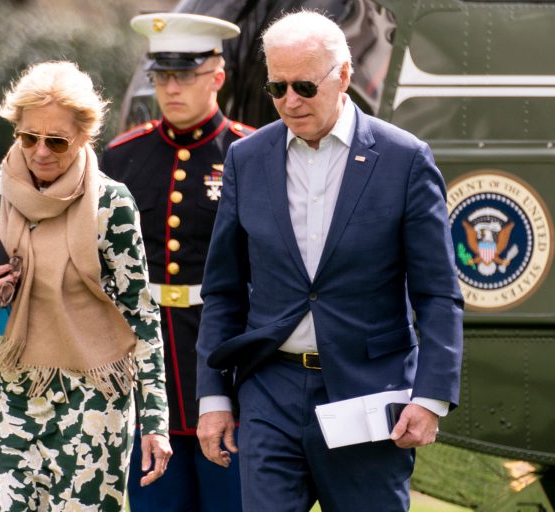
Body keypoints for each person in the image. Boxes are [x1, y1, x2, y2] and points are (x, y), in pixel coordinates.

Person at [195, 11, 464, 512]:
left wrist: (430, 398)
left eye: (304, 86)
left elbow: (438, 293)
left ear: (342, 75)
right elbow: (223, 291)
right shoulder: (246, 159)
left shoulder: (405, 159)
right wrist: (213, 398)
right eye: (276, 88)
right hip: (269, 391)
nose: (289, 101)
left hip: (369, 394)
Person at [0, 61, 171, 512]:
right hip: (11, 395)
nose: (40, 152)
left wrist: (155, 420)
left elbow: (141, 315)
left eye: (56, 141)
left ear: (84, 136)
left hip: (95, 406)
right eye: (28, 137)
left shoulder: (111, 203)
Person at [102, 12, 252, 512]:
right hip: (146, 370)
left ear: (217, 76)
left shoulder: (250, 153)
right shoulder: (122, 157)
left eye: (185, 75)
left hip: (225, 367)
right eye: (162, 75)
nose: (170, 88)